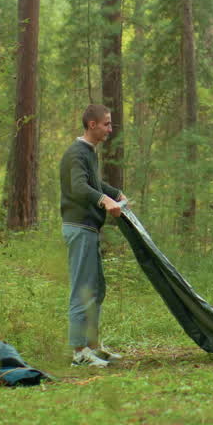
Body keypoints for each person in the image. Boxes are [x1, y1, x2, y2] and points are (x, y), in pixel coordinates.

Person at [59, 104, 128, 367]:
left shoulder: (88, 152)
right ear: (92, 125)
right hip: (79, 228)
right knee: (83, 290)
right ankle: (79, 354)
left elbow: (94, 183)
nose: (110, 129)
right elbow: (79, 187)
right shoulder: (76, 153)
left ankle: (92, 346)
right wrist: (103, 200)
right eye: (107, 124)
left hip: (89, 229)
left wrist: (115, 192)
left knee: (96, 288)